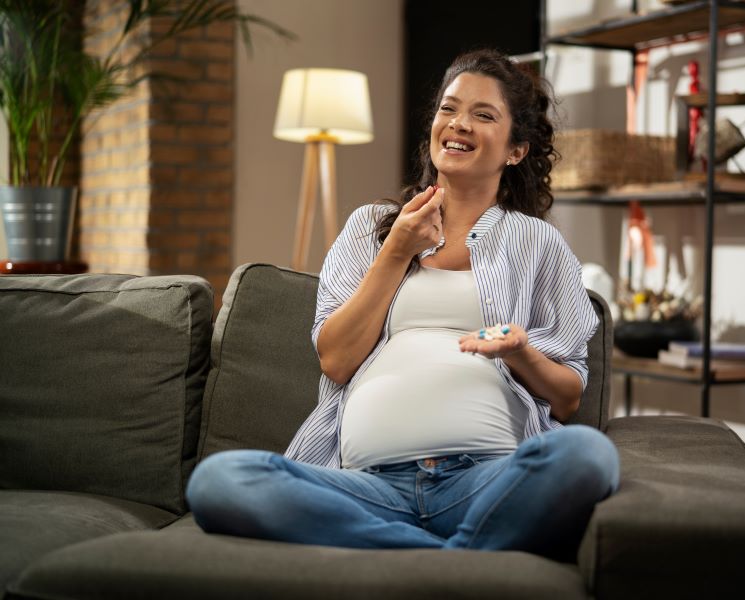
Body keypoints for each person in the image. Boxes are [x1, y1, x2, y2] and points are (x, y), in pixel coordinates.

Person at [186, 49, 619, 561]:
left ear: (516, 150)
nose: (459, 124)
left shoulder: (539, 245)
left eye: (484, 115)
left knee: (588, 456)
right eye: (449, 109)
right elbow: (337, 359)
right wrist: (397, 250)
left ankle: (413, 559)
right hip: (368, 487)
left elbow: (568, 399)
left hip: (483, 481)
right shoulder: (370, 229)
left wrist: (521, 351)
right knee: (220, 480)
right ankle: (455, 562)